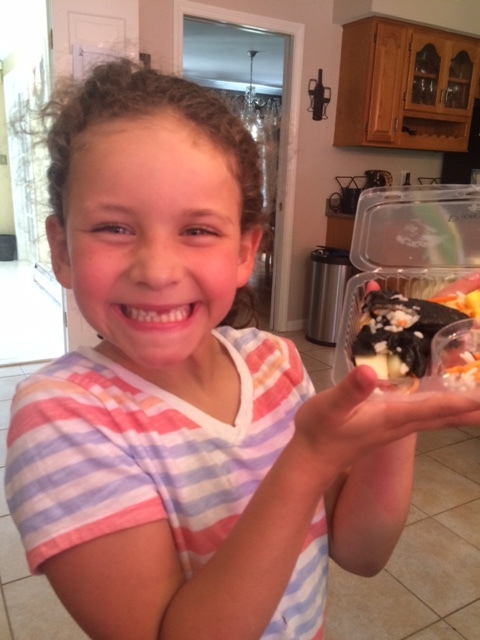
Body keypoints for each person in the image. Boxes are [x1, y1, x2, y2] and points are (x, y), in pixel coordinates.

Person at [5, 59, 480, 640]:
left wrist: (398, 403)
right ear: (61, 250)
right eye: (114, 228)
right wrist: (307, 458)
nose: (157, 270)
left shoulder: (275, 362)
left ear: (244, 252)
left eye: (197, 230)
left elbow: (360, 552)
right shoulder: (62, 420)